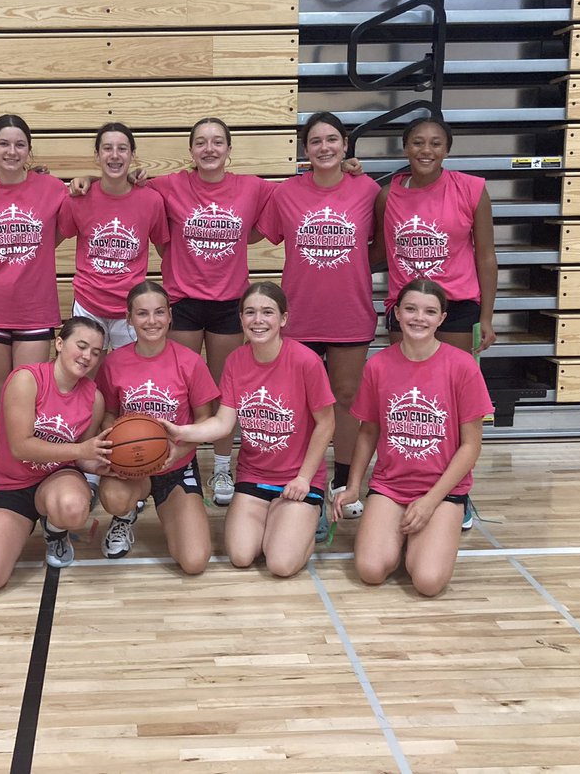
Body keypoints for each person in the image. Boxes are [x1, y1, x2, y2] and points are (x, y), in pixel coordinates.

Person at [258, 112, 379, 539]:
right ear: (304, 150)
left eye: (332, 139)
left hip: (350, 313)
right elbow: (258, 232)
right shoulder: (285, 193)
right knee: (301, 408)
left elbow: (384, 243)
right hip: (301, 316)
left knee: (347, 401)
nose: (324, 147)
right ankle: (305, 489)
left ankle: (344, 487)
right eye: (315, 141)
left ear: (345, 145)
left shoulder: (368, 189)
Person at [331, 279, 493, 597]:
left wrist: (430, 502)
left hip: (441, 491)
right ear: (397, 313)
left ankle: (428, 536)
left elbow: (471, 446)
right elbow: (368, 431)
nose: (419, 318)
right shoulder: (377, 365)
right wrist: (352, 486)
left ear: (442, 318)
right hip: (391, 488)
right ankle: (399, 536)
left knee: (428, 582)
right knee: (371, 571)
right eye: (411, 309)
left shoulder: (462, 367)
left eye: (430, 311)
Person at [376, 116, 498, 529]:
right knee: (412, 404)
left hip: (458, 305)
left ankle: (458, 495)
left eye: (435, 143)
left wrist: (486, 317)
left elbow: (485, 256)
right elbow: (375, 250)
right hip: (406, 308)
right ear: (405, 147)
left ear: (447, 148)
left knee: (455, 407)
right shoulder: (388, 193)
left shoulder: (472, 189)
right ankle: (405, 487)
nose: (425, 150)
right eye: (417, 142)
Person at [165, 282, 335, 578]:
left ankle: (308, 517)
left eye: (267, 312)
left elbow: (327, 422)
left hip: (297, 480)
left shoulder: (306, 361)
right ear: (241, 318)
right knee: (241, 556)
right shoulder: (235, 361)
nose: (258, 320)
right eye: (250, 312)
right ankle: (279, 521)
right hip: (255, 476)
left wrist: (305, 478)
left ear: (283, 318)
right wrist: (179, 431)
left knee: (280, 564)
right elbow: (223, 423)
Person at [148, 117, 273, 508]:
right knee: (181, 390)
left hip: (228, 304)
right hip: (183, 302)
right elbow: (123, 187)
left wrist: (352, 169)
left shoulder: (252, 187)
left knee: (223, 393)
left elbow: (300, 194)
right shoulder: (167, 186)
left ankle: (222, 464)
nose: (209, 148)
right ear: (190, 150)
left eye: (218, 141)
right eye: (200, 142)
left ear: (229, 149)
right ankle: (182, 463)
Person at [0, 317, 109, 596]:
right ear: (58, 343)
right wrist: (81, 450)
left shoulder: (94, 398)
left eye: (95, 352)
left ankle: (55, 530)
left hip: (59, 478)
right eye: (81, 346)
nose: (87, 356)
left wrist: (110, 465)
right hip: (12, 485)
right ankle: (33, 521)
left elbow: (83, 457)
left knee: (72, 506)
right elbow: (21, 446)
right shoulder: (26, 379)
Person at [95, 281, 218, 571]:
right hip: (130, 466)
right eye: (142, 314)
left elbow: (204, 420)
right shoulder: (113, 363)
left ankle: (169, 506)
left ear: (170, 315)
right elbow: (109, 414)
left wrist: (180, 450)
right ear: (128, 318)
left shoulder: (190, 362)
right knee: (113, 498)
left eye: (159, 312)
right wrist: (116, 443)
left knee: (194, 561)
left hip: (176, 465)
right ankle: (125, 515)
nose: (152, 321)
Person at [0, 114, 68, 436]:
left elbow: (83, 202)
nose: (12, 151)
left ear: (29, 150)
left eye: (20, 144)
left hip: (35, 310)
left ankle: (26, 471)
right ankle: (2, 477)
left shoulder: (51, 188)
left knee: (28, 397)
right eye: (4, 144)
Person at [59, 122, 170, 352]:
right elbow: (52, 239)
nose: (115, 155)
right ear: (97, 155)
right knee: (84, 379)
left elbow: (165, 250)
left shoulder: (151, 201)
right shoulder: (78, 198)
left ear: (132, 155)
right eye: (107, 148)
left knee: (129, 381)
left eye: (122, 148)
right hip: (88, 304)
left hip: (131, 308)